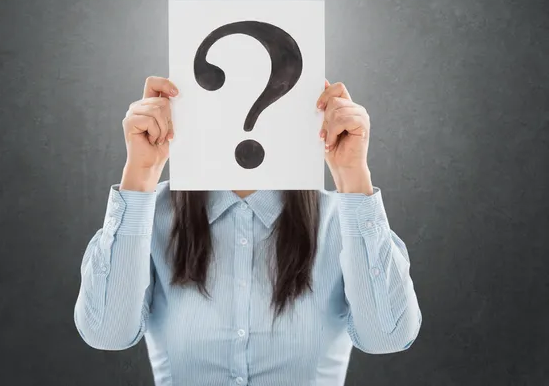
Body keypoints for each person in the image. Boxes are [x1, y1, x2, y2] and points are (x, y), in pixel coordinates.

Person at [74, 76, 422, 386]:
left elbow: (386, 337)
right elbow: (107, 332)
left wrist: (352, 176)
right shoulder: (151, 215)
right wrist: (140, 172)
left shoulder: (340, 220)